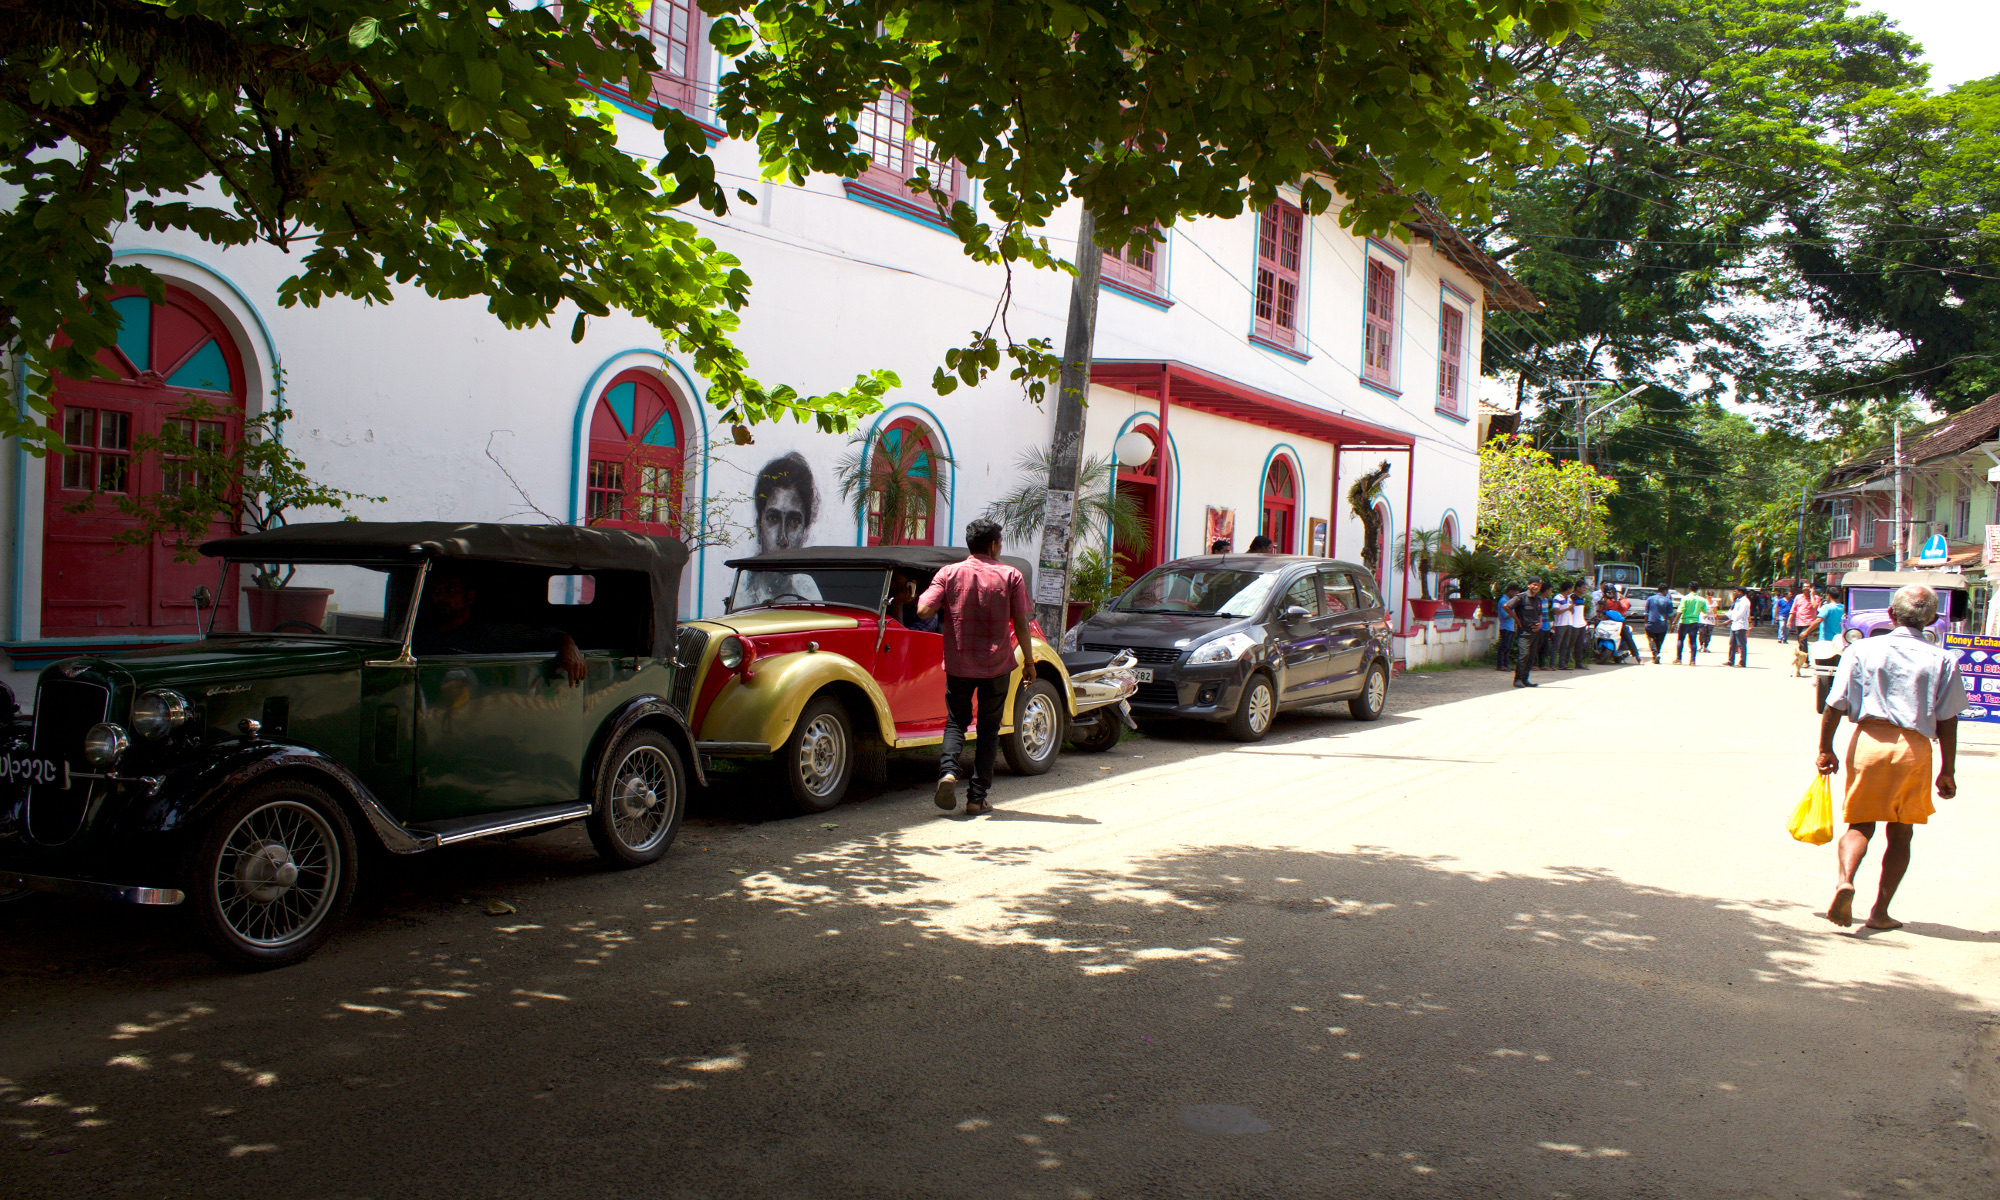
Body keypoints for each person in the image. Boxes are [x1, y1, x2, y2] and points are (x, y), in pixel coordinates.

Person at [1813, 584, 1966, 930]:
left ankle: (1845, 881)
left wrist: (1825, 748)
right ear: (1930, 620)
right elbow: (1948, 720)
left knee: (1860, 825)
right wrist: (1948, 770)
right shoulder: (1941, 658)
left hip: (1868, 743)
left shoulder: (1861, 649)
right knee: (1901, 833)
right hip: (1914, 750)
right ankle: (1879, 912)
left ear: (1890, 614)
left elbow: (1834, 703)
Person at [917, 519, 1036, 817]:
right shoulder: (1011, 575)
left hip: (959, 662)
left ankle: (947, 772)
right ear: (994, 545)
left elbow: (923, 611)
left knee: (956, 721)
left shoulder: (948, 573)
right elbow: (1021, 622)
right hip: (997, 665)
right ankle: (976, 797)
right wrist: (1030, 663)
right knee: (988, 729)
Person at [412, 570, 588, 685]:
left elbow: (542, 636)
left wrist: (567, 643)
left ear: (469, 597)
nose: (442, 598)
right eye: (437, 592)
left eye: (451, 591)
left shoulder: (486, 633)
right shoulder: (422, 633)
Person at [737, 452, 823, 606]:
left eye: (794, 521)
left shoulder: (808, 590)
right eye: (773, 519)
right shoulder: (743, 592)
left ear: (804, 531)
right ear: (759, 527)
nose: (782, 538)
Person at [1507, 579, 1547, 688]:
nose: (1536, 587)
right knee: (1523, 655)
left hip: (1535, 632)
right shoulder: (1521, 597)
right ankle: (1517, 679)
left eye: (1538, 585)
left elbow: (1539, 614)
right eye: (1534, 585)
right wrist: (1516, 619)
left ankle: (1525, 679)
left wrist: (1540, 624)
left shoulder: (1538, 599)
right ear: (1529, 585)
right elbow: (1506, 606)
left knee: (1531, 656)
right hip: (1524, 631)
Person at [1675, 584, 1709, 664]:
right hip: (1695, 622)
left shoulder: (1685, 598)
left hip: (1684, 621)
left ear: (1689, 588)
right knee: (1693, 641)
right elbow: (1705, 611)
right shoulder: (1702, 600)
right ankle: (1692, 660)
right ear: (1698, 589)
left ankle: (1678, 659)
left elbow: (1681, 610)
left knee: (1680, 640)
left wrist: (1674, 622)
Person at [1644, 585, 1675, 664]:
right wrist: (1672, 625)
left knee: (1651, 639)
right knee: (1659, 641)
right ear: (1665, 591)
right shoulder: (1668, 601)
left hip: (1651, 623)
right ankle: (1656, 654)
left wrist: (1646, 623)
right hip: (1662, 625)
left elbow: (1646, 613)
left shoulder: (1650, 599)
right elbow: (1670, 615)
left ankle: (1655, 654)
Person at [1495, 583, 1521, 670]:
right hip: (1505, 627)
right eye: (1515, 593)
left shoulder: (1510, 601)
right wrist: (1513, 614)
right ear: (1511, 591)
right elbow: (1504, 615)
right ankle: (1500, 665)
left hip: (1510, 626)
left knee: (1508, 647)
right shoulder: (1503, 601)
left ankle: (1505, 665)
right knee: (1503, 647)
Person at [1726, 586, 1751, 667]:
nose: (1734, 593)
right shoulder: (1737, 601)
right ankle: (1730, 661)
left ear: (1740, 592)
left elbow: (1740, 614)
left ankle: (1742, 662)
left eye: (1735, 591)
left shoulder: (1745, 602)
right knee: (1732, 644)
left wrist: (1729, 620)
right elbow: (1733, 611)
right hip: (1735, 625)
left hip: (1741, 625)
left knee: (1741, 644)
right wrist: (1723, 615)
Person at [1791, 586, 1821, 653]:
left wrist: (1811, 595)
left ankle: (1806, 660)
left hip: (1809, 622)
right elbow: (1793, 609)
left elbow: (1815, 606)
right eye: (1804, 587)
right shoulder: (1798, 597)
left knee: (1803, 638)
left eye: (1807, 587)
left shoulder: (1816, 598)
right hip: (1799, 622)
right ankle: (1802, 656)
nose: (1805, 588)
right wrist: (1789, 620)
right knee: (1800, 641)